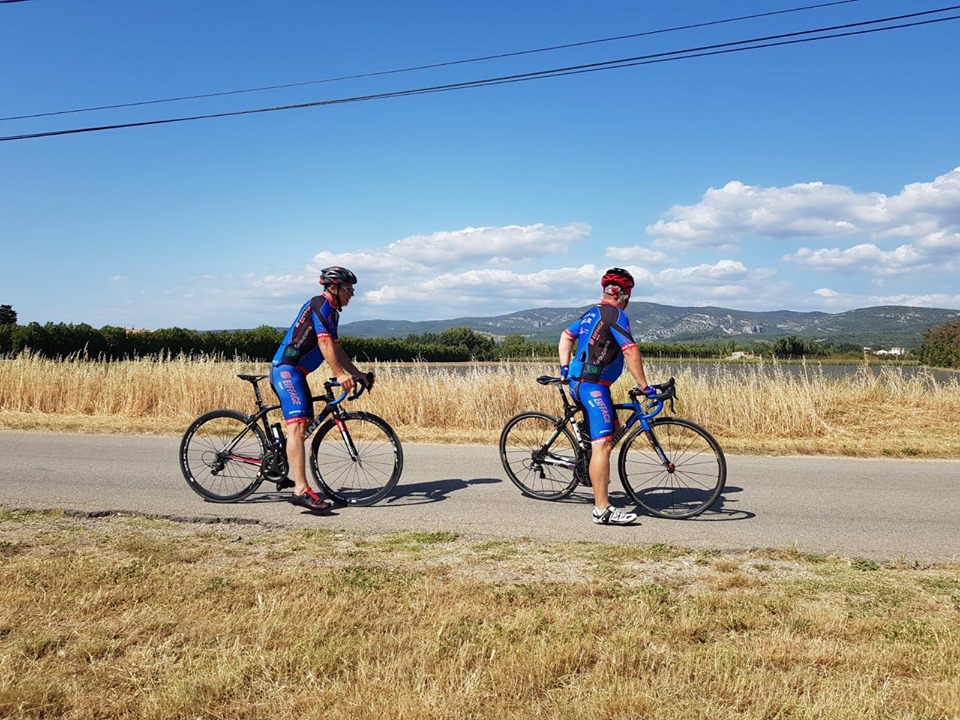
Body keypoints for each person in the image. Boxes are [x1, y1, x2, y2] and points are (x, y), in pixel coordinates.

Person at [271, 265, 374, 513]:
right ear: (334, 288)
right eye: (349, 289)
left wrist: (357, 374)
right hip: (286, 369)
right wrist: (340, 373)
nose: (352, 294)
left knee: (302, 425)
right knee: (296, 427)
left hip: (298, 373)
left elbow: (336, 349)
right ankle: (300, 491)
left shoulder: (333, 313)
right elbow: (324, 342)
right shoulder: (320, 304)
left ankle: (284, 467)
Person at [558, 267, 653, 525]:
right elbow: (631, 350)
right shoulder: (615, 314)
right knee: (604, 444)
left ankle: (588, 462)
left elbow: (566, 336)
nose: (629, 299)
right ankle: (602, 510)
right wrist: (644, 386)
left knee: (613, 428)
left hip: (585, 383)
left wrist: (565, 368)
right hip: (592, 386)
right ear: (621, 294)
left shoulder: (592, 313)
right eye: (629, 294)